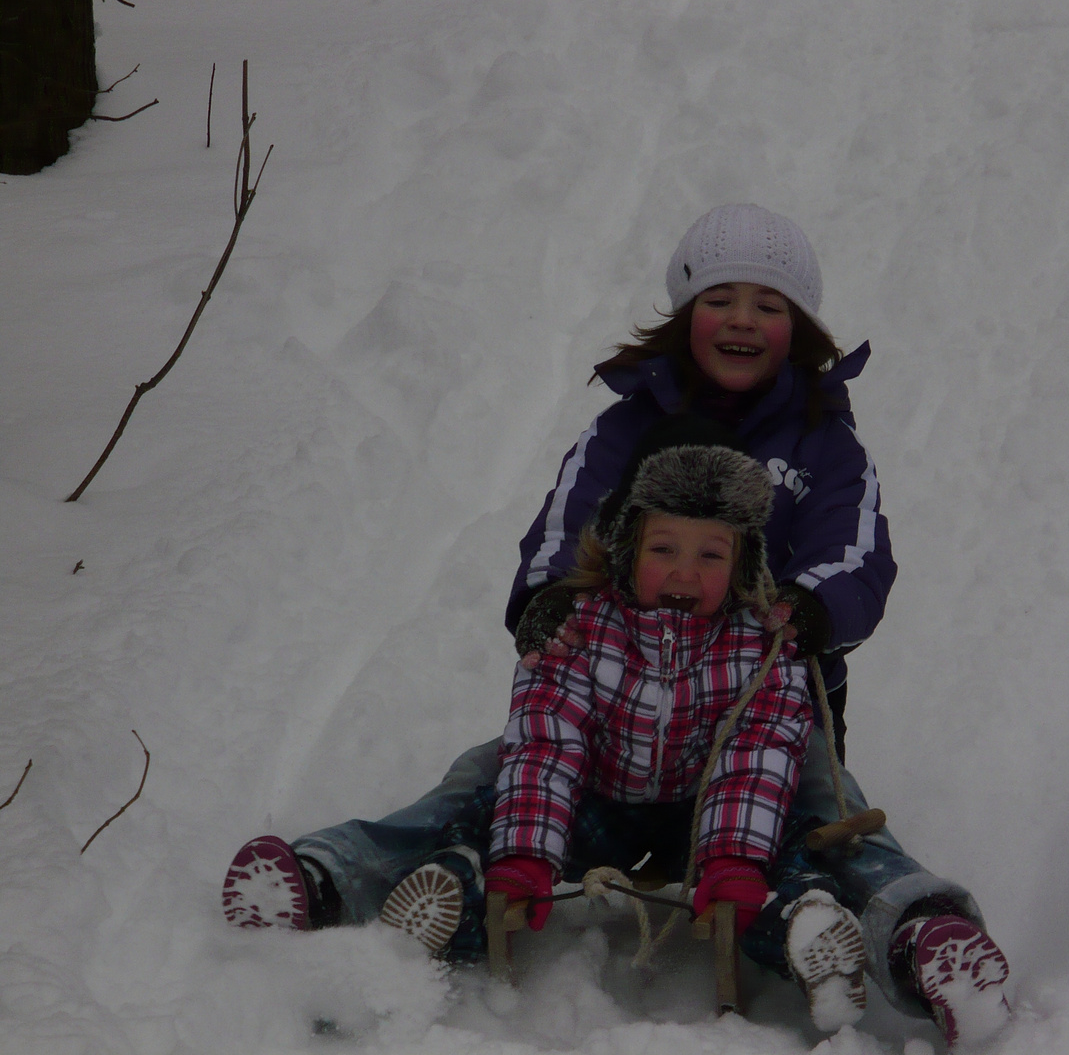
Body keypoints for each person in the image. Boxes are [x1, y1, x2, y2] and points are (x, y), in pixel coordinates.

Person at [222, 429, 1011, 1049]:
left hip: (714, 808)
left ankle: (851, 935)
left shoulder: (754, 641)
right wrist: (527, 852)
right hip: (598, 798)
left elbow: (757, 751)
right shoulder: (583, 627)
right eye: (665, 549)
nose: (683, 571)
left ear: (742, 565)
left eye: (711, 556)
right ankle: (385, 882)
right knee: (484, 816)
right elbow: (547, 740)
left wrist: (732, 859)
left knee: (791, 857)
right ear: (632, 547)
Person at [508, 202, 896, 764]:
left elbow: (854, 553)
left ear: (799, 330)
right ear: (687, 318)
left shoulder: (825, 445)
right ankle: (402, 849)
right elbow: (569, 526)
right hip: (619, 699)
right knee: (495, 768)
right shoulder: (625, 431)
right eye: (718, 301)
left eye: (769, 305)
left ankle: (852, 855)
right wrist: (550, 599)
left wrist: (810, 606)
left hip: (772, 708)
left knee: (816, 799)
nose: (743, 319)